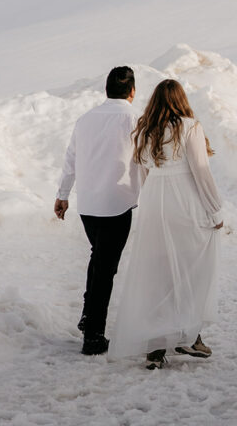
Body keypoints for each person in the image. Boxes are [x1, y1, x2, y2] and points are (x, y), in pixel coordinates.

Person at [108, 78, 223, 369]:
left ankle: (155, 349)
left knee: (157, 274)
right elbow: (200, 171)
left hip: (154, 204)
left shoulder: (145, 130)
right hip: (183, 203)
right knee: (190, 270)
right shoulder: (189, 126)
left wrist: (150, 201)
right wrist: (215, 209)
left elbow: (145, 173)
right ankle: (187, 334)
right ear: (181, 99)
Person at [54, 65, 141, 356]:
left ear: (106, 90)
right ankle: (93, 334)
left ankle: (88, 317)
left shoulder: (85, 119)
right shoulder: (134, 119)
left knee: (100, 259)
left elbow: (71, 159)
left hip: (88, 204)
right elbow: (145, 160)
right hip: (118, 202)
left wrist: (63, 194)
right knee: (106, 267)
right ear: (132, 91)